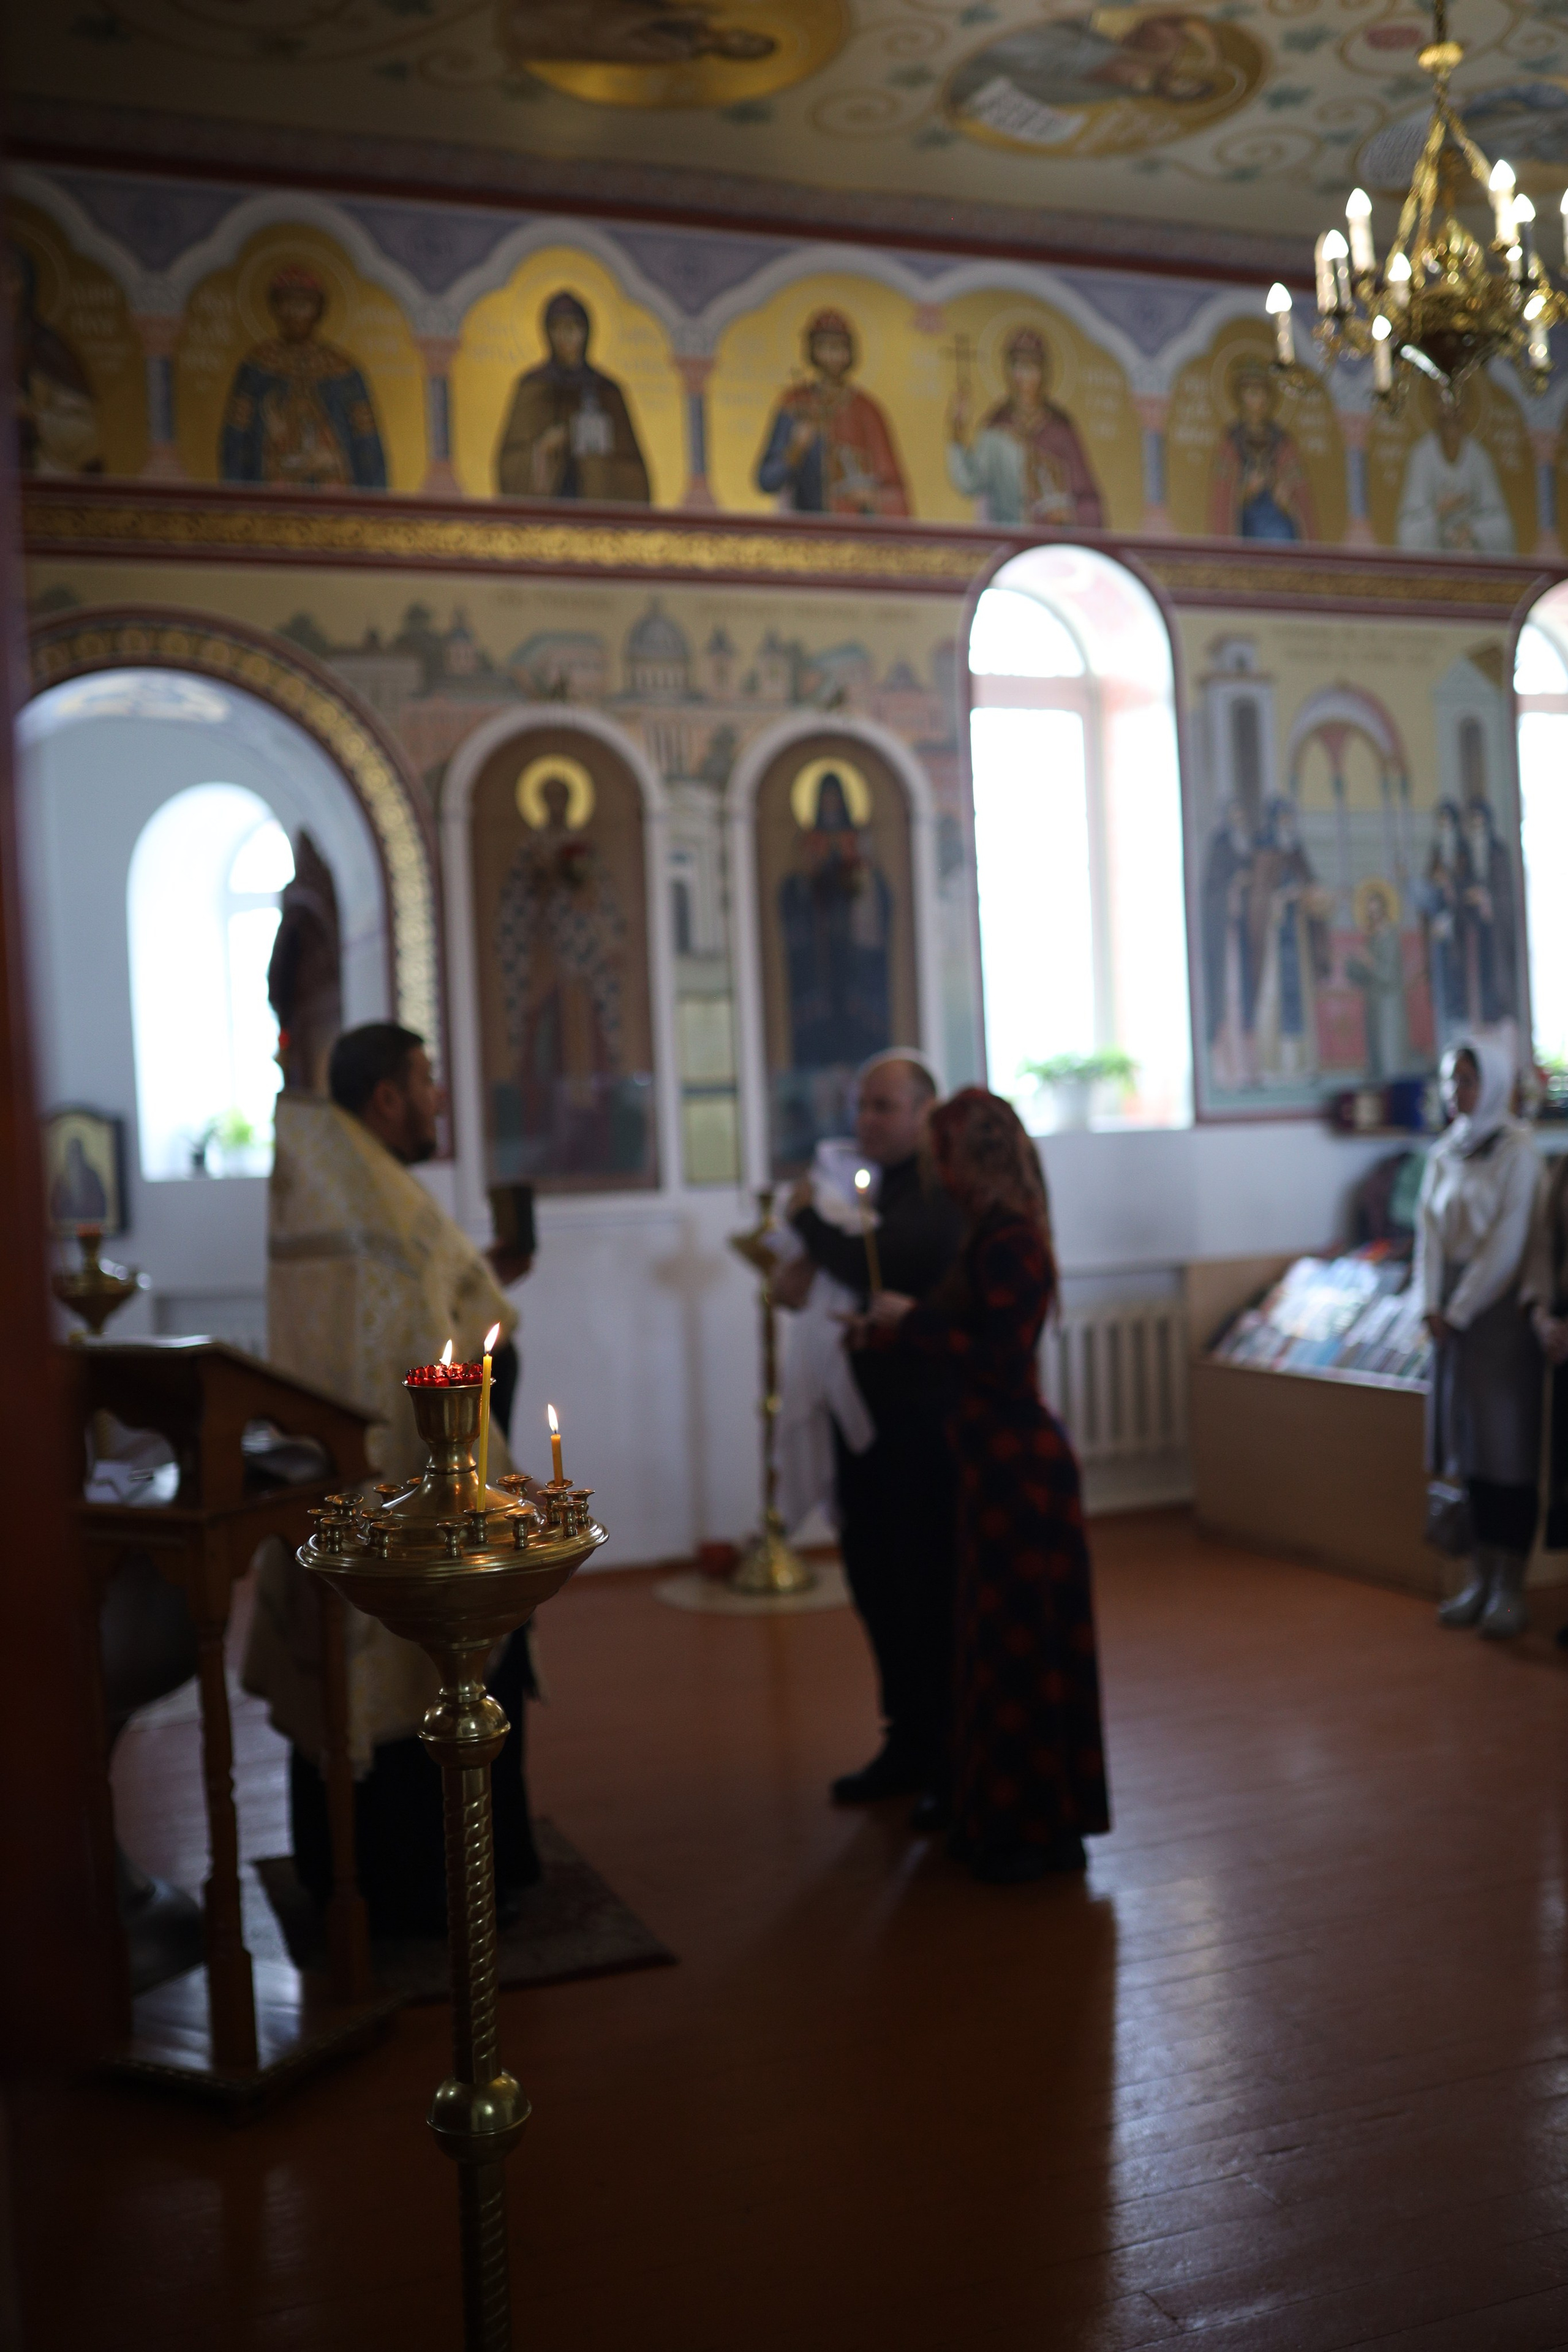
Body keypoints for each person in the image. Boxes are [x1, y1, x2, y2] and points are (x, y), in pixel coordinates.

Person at [242, 1023, 538, 1931]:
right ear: (386, 1098)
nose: (437, 1097)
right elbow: (462, 1334)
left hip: (338, 1491)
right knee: (446, 1659)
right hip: (415, 1489)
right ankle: (440, 1886)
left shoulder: (336, 1185)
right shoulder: (382, 1202)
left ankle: (354, 1872)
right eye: (426, 1080)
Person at [861, 1088, 1110, 1883]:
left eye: (943, 1154)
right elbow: (969, 1335)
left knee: (1024, 1651)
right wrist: (893, 1331)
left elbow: (999, 1358)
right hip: (993, 1459)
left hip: (1018, 1467)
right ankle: (1013, 1820)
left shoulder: (1010, 1238)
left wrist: (909, 1322)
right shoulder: (993, 1232)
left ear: (970, 1157)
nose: (937, 1171)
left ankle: (1039, 1829)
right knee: (1000, 1648)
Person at [777, 1050, 962, 1806]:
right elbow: (835, 1271)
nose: (866, 1120)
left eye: (883, 1106)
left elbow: (875, 1260)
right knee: (876, 1584)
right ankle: (905, 1742)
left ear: (926, 1113)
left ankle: (947, 1755)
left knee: (925, 1594)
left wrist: (801, 1219)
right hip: (863, 1423)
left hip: (920, 1426)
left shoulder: (940, 1191)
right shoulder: (869, 1183)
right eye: (860, 1105)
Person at [1416, 1036, 1544, 1639]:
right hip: (1450, 1322)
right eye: (1450, 1080)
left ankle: (1509, 1586)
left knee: (1506, 1455)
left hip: (1496, 1321)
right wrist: (1429, 1304)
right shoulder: (1445, 1151)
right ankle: (1478, 1578)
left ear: (1491, 1084)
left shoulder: (1518, 1151)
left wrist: (1460, 1310)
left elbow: (1507, 1245)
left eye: (1467, 1080)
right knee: (1467, 1451)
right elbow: (1427, 1233)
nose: (1455, 1092)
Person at [219, 264, 388, 489]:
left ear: (319, 310)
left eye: (304, 305)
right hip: (274, 479)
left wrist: (372, 496)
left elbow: (366, 440)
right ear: (275, 308)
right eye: (286, 304)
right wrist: (237, 493)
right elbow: (237, 436)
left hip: (331, 481)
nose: (295, 314)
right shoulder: (257, 367)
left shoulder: (342, 370)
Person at [495, 290, 651, 503]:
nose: (565, 337)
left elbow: (633, 470)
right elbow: (510, 461)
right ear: (547, 333)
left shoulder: (607, 390)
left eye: (572, 328)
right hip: (547, 510)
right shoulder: (533, 386)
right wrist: (542, 448)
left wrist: (598, 457)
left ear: (586, 332)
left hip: (595, 507)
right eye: (556, 328)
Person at [755, 309, 910, 518]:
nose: (832, 354)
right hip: (804, 525)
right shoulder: (795, 405)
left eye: (839, 347)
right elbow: (767, 481)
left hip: (853, 527)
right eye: (824, 346)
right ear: (812, 350)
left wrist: (872, 496)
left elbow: (893, 484)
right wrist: (796, 448)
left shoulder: (866, 410)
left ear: (850, 352)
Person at [946, 326, 1104, 528]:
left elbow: (1087, 499)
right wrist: (957, 431)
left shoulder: (1060, 429)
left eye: (1032, 367)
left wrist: (1068, 515)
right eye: (1018, 366)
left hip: (1051, 539)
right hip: (1006, 534)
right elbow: (970, 482)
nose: (1024, 377)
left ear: (1044, 373)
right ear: (1009, 372)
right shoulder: (997, 427)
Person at [1208, 360, 1315, 542]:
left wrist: (1287, 499)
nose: (1260, 400)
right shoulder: (1232, 440)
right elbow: (1223, 493)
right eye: (1252, 393)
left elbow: (1297, 484)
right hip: (1246, 521)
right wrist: (1246, 492)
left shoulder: (1281, 440)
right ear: (1241, 398)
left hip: (1278, 516)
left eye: (1263, 393)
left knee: (1281, 533)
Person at [1396, 405, 1514, 554]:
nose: (1451, 429)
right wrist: (1439, 512)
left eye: (1456, 421)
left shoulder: (1479, 458)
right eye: (1446, 421)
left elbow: (1502, 526)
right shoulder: (1422, 456)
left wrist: (1473, 531)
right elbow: (1408, 531)